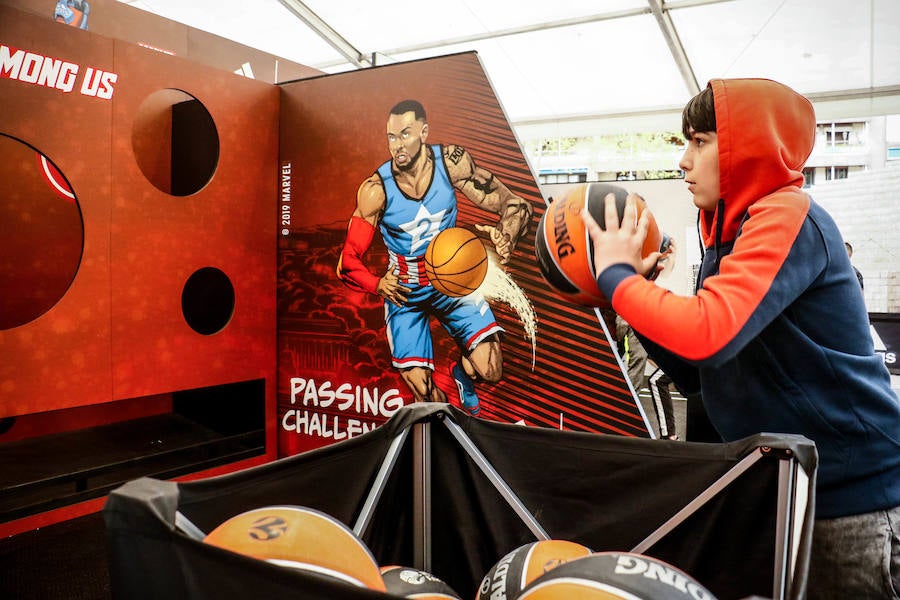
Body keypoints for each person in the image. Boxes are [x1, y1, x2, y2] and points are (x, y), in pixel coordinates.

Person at [581, 78, 900, 599]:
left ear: (744, 147)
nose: (684, 161)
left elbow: (709, 336)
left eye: (700, 141)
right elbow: (698, 372)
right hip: (789, 496)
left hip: (854, 503)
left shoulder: (788, 215)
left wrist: (619, 279)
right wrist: (630, 300)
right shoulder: (725, 238)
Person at [338, 99, 532, 415]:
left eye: (405, 134)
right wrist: (377, 285)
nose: (396, 145)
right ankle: (455, 444)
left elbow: (515, 205)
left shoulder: (452, 163)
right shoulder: (376, 190)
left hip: (453, 280)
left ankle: (462, 375)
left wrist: (506, 235)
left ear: (424, 132)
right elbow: (347, 260)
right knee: (427, 399)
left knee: (492, 369)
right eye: (391, 137)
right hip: (405, 290)